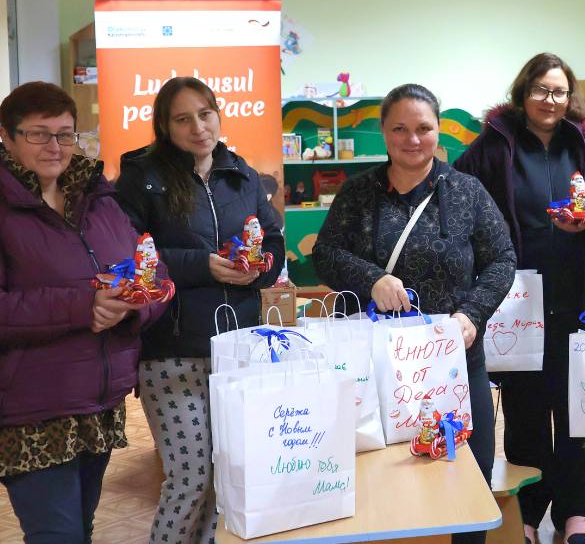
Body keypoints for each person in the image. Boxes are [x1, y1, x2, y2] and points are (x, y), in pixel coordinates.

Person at [312, 83, 516, 544]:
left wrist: (472, 315)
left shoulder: (466, 192)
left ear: (438, 130)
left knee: (469, 480)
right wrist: (371, 279)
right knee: (382, 480)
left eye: (423, 128)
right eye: (400, 128)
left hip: (456, 364)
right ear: (383, 132)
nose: (412, 139)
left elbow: (502, 259)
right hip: (375, 369)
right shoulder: (358, 193)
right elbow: (324, 255)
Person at [454, 53, 585, 544]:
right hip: (516, 301)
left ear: (570, 96)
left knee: (578, 407)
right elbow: (460, 191)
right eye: (540, 90)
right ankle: (527, 510)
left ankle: (578, 509)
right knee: (526, 410)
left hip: (581, 292)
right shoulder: (496, 144)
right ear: (522, 92)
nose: (549, 101)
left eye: (558, 92)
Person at [115, 76, 284, 543]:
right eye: (183, 119)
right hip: (172, 351)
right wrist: (202, 266)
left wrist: (260, 269)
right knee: (188, 479)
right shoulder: (141, 177)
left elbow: (272, 240)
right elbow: (127, 253)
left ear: (218, 113)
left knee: (225, 477)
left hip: (238, 348)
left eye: (205, 114)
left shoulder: (242, 175)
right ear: (164, 126)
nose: (198, 127)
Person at [0, 81, 167, 543]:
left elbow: (151, 271)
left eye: (65, 134)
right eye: (38, 133)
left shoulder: (99, 196)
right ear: (7, 137)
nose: (55, 146)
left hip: (98, 402)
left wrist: (131, 308)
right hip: (31, 408)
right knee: (59, 536)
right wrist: (83, 307)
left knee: (80, 530)